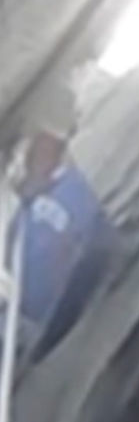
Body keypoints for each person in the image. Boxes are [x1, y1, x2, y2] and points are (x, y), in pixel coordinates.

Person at [5, 75, 113, 368]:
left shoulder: (80, 201)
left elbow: (86, 260)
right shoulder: (22, 190)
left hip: (28, 325)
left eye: (40, 141)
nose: (28, 152)